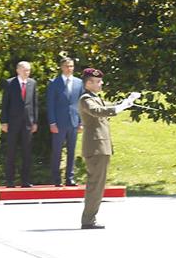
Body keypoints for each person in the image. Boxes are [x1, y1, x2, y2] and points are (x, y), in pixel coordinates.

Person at [77, 68, 138, 229]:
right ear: (89, 83)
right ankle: (88, 220)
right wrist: (121, 106)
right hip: (96, 147)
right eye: (97, 81)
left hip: (101, 147)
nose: (101, 83)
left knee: (98, 185)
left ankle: (90, 218)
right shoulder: (85, 99)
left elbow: (105, 108)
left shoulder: (95, 98)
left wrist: (125, 103)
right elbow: (97, 112)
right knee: (95, 185)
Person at [0, 61, 38, 188]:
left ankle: (25, 181)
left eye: (28, 70)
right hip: (12, 123)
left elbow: (34, 103)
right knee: (11, 152)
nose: (27, 72)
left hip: (27, 122)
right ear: (18, 70)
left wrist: (35, 122)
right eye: (24, 70)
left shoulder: (32, 83)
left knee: (27, 152)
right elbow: (5, 103)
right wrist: (4, 121)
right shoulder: (10, 83)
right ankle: (10, 181)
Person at [47, 55, 82, 187]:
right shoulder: (54, 83)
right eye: (67, 66)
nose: (69, 69)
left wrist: (81, 122)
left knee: (72, 151)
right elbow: (50, 104)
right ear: (62, 67)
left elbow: (81, 104)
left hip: (73, 122)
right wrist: (52, 122)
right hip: (59, 123)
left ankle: (70, 177)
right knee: (57, 151)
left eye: (71, 66)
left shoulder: (79, 83)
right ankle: (56, 178)